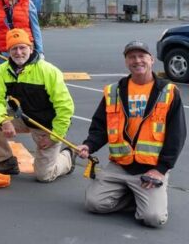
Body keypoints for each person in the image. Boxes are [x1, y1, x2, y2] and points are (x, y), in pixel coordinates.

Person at [78, 41, 186, 228]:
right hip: (120, 165)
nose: (137, 61)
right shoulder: (114, 91)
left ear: (151, 60)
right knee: (94, 203)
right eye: (131, 57)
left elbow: (177, 135)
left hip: (150, 169)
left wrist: (161, 169)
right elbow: (100, 127)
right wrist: (89, 145)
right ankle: (133, 195)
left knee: (153, 218)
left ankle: (144, 197)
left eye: (141, 56)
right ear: (126, 62)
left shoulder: (168, 92)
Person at [0, 28, 75, 182]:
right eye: (14, 49)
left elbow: (65, 107)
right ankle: (6, 161)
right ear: (8, 51)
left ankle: (68, 157)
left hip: (47, 126)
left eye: (22, 47)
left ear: (31, 48)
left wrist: (54, 136)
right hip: (23, 118)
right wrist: (4, 121)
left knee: (44, 176)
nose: (18, 53)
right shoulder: (2, 71)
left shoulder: (48, 71)